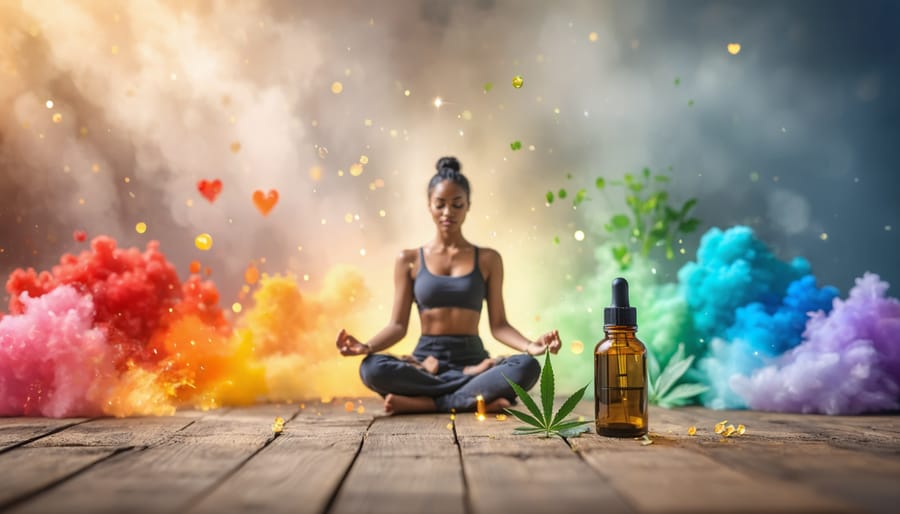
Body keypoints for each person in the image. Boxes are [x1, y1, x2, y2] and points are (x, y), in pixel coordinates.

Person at [336, 156, 562, 414]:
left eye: (457, 205)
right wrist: (367, 347)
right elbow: (397, 326)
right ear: (429, 206)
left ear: (468, 206)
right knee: (371, 368)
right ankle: (473, 398)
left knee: (527, 366)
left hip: (474, 361)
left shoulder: (489, 259)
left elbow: (499, 325)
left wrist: (531, 346)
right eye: (440, 204)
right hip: (426, 364)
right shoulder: (409, 260)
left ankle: (429, 403)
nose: (448, 213)